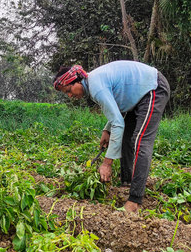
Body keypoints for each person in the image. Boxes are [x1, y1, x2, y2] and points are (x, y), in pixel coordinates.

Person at [53, 60, 170, 213]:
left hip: (153, 88)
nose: (69, 95)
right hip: (138, 97)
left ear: (76, 81)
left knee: (140, 141)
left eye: (68, 90)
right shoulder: (93, 83)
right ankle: (127, 182)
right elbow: (116, 110)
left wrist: (107, 163)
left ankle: (134, 200)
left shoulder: (96, 87)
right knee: (126, 138)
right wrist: (106, 130)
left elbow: (118, 124)